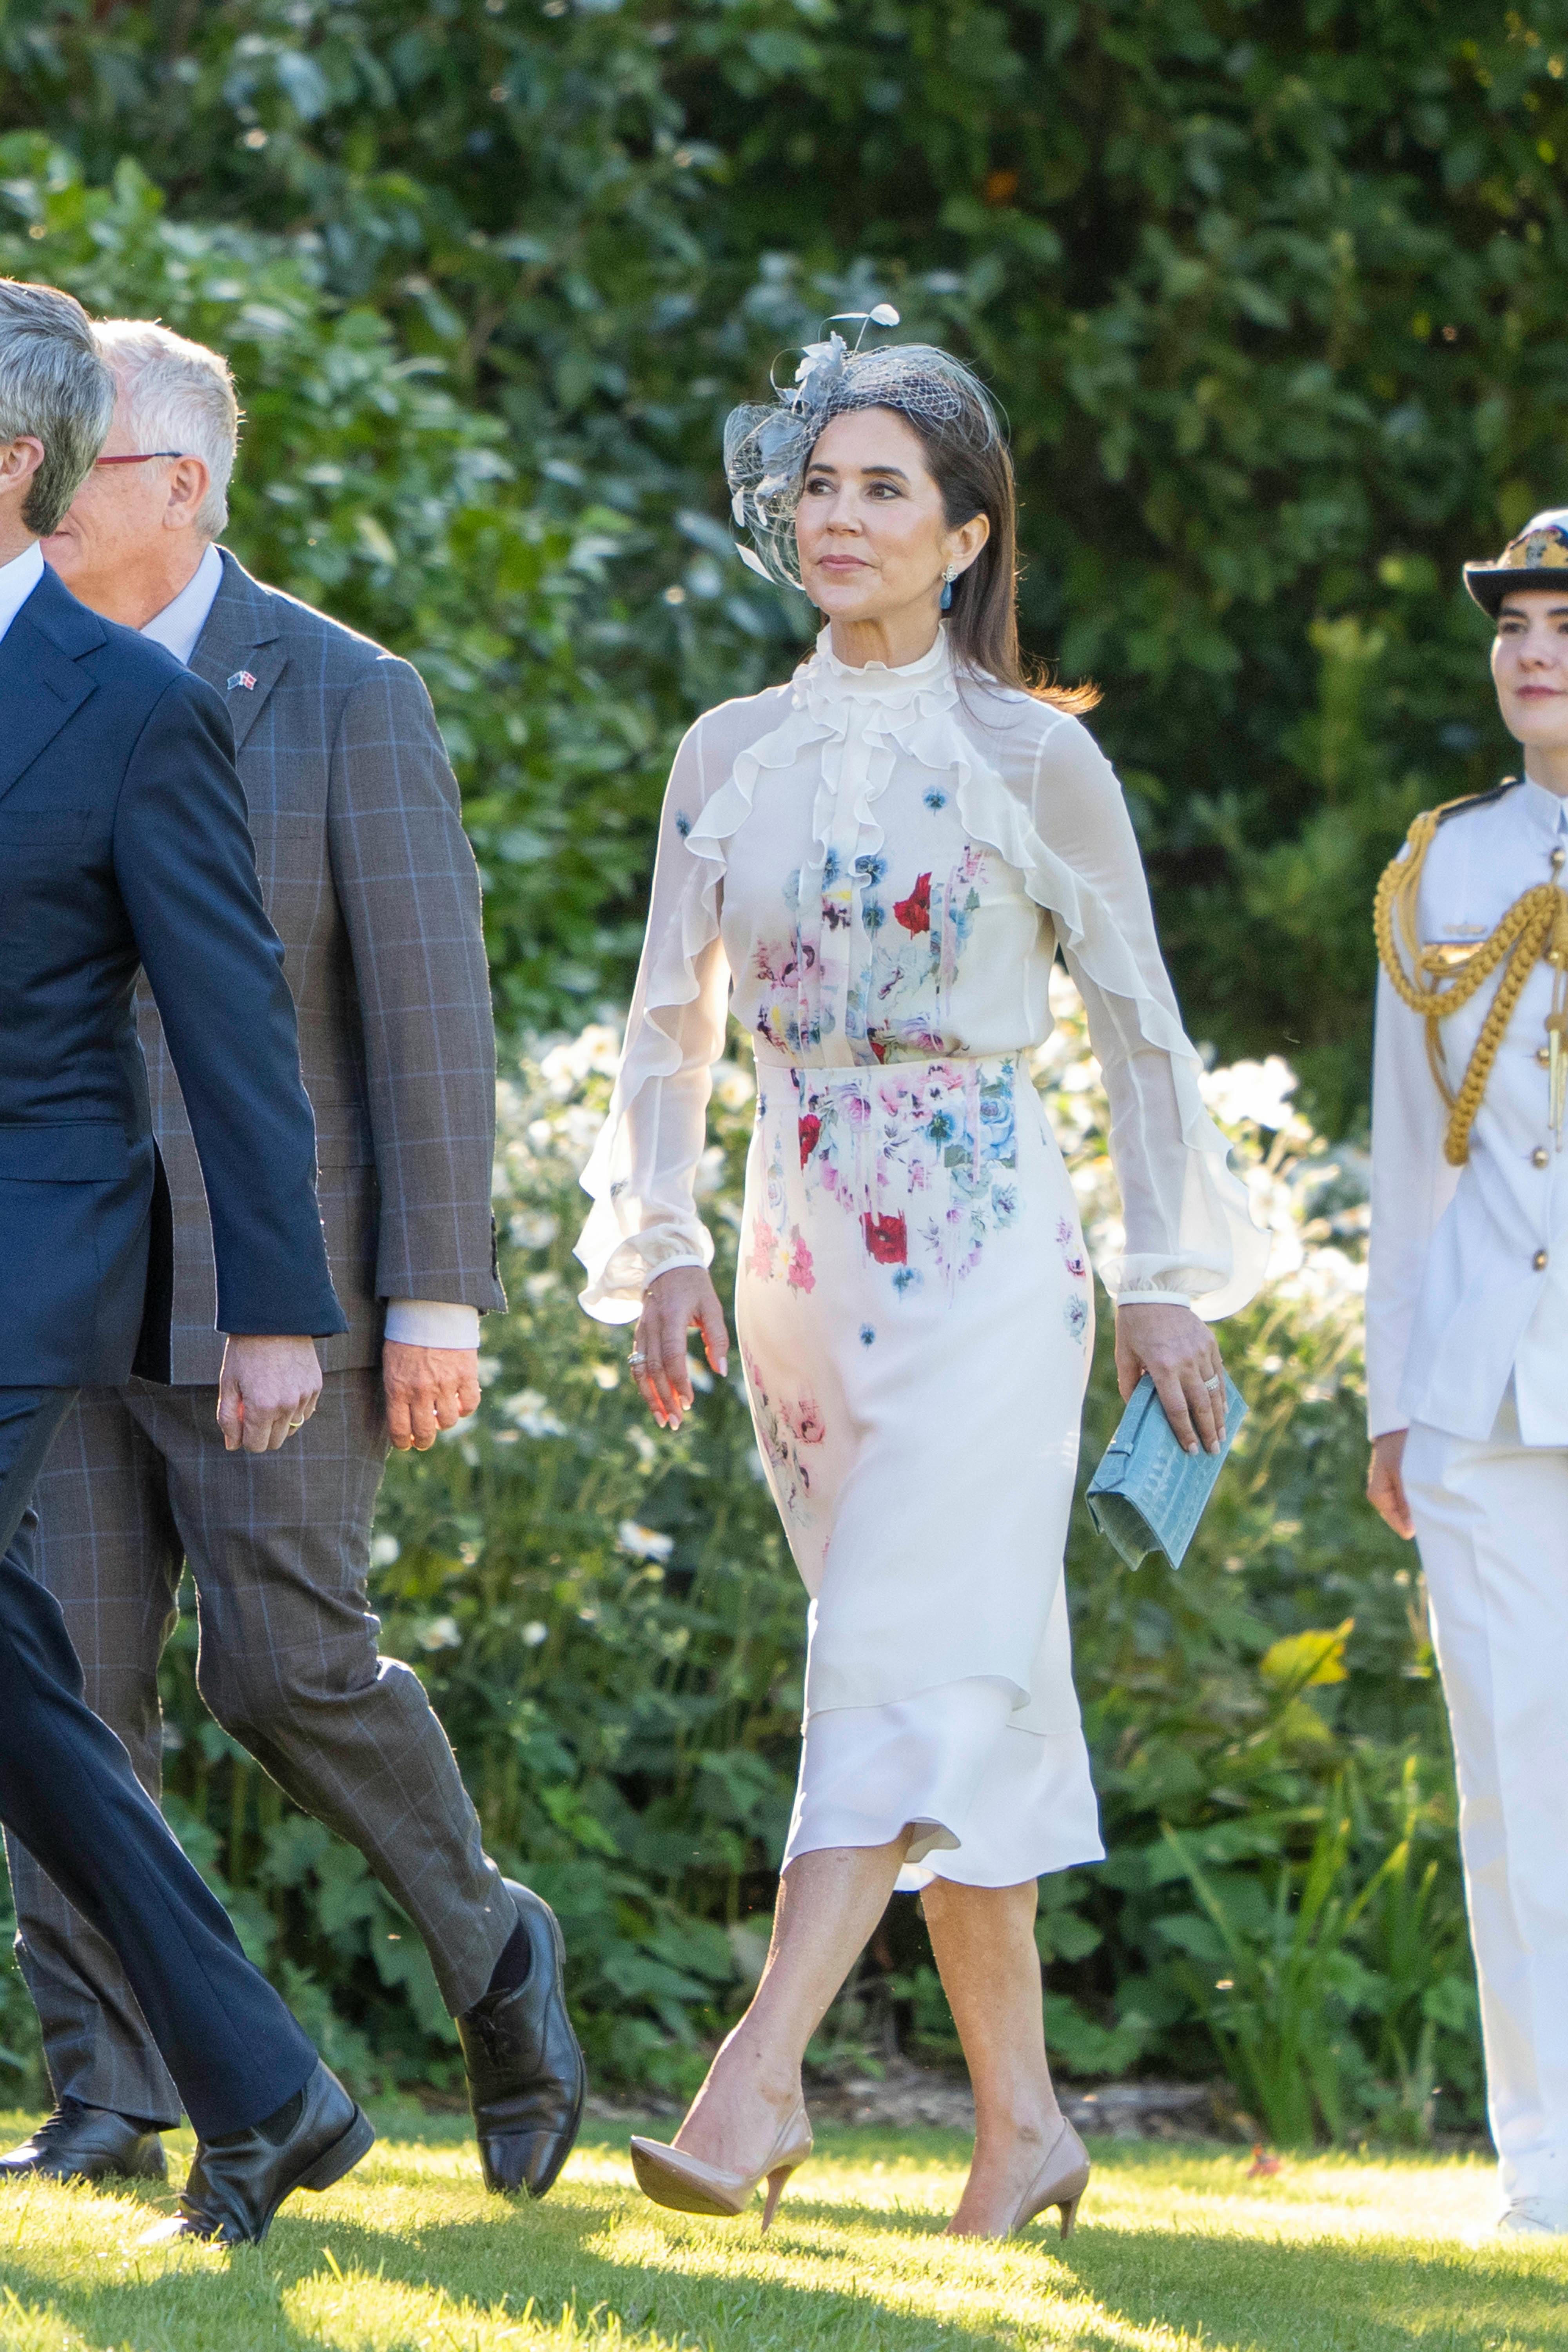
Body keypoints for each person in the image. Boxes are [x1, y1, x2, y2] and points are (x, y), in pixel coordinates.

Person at [575, 324, 1268, 2238]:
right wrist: (660, 1242)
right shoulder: (727, 754)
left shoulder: (1039, 757)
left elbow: (1140, 1031)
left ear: (967, 537)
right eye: (820, 484)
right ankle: (1025, 2129)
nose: (841, 516)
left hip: (985, 1259)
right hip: (798, 1262)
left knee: (890, 1652)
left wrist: (1166, 1279)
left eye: (885, 489)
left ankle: (755, 2081)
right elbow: (665, 1028)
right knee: (958, 1681)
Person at [0, 319, 584, 2201]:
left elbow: (424, 1014)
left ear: (175, 483)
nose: (51, 482)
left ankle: (492, 1948)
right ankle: (112, 2091)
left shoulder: (341, 692)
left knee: (286, 1670)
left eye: (83, 456)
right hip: (65, 1272)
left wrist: (430, 1298)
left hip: (278, 1287)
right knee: (71, 1678)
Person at [0, 273, 374, 2245]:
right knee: (22, 1685)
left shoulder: (136, 707)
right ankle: (267, 2089)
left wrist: (278, 1308)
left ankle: (252, 2084)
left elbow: (234, 1029)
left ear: (14, 462)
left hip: (32, 1224)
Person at [1366, 508, 1568, 2239]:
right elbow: (1407, 1158)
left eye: (1566, 626)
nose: (1534, 651)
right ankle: (1547, 2170)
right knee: (1514, 1786)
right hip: (1486, 1395)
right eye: (1515, 625)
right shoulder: (1444, 868)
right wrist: (1391, 1401)